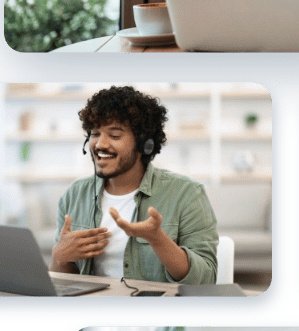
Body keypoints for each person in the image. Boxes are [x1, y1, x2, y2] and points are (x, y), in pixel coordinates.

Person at [50, 86, 218, 285]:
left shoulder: (187, 194)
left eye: (114, 136)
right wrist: (59, 256)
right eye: (95, 134)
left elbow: (206, 281)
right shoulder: (75, 194)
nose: (100, 144)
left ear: (144, 144)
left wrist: (158, 240)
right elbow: (63, 285)